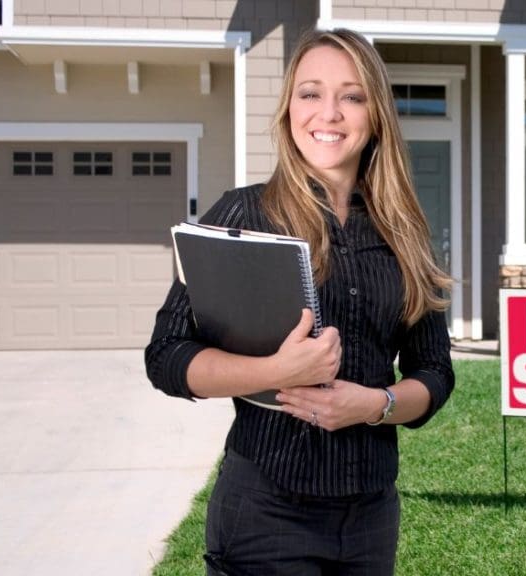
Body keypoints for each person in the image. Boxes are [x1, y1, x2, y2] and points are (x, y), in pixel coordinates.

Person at [145, 27, 454, 576]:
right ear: (290, 109)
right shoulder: (243, 217)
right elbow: (167, 356)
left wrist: (373, 405)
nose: (329, 113)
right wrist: (274, 370)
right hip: (266, 512)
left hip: (370, 518)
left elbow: (434, 374)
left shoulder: (405, 231)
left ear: (376, 113)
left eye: (352, 96)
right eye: (310, 93)